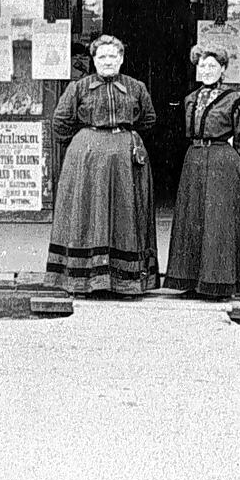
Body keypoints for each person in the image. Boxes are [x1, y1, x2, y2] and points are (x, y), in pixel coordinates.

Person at [43, 35, 159, 297]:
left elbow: (148, 119)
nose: (107, 61)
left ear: (121, 58)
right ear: (93, 60)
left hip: (125, 160)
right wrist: (86, 143)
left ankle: (125, 281)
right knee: (88, 213)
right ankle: (85, 280)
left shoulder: (136, 87)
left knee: (125, 213)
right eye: (102, 57)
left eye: (112, 56)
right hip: (88, 160)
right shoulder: (79, 88)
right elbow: (61, 123)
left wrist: (124, 139)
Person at [164, 44, 240, 300]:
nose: (207, 70)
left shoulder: (235, 101)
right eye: (202, 66)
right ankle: (191, 280)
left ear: (223, 69)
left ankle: (218, 282)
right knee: (192, 218)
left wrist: (235, 166)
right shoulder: (190, 99)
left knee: (219, 221)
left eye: (213, 66)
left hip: (222, 162)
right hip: (194, 161)